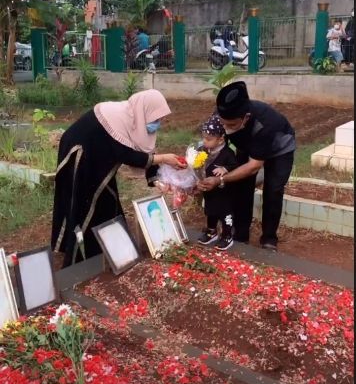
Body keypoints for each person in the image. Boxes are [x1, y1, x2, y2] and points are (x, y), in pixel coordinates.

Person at [51, 90, 183, 267]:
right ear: (145, 110)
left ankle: (111, 250)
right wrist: (165, 158)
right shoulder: (116, 118)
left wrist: (156, 180)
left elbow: (144, 151)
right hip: (81, 157)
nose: (157, 124)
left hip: (100, 161)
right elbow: (127, 155)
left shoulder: (136, 119)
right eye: (155, 119)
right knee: (84, 205)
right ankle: (78, 260)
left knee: (108, 201)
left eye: (159, 119)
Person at [197, 81, 296, 252]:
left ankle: (269, 238)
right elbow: (212, 145)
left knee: (273, 190)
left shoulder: (264, 124)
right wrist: (197, 166)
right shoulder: (221, 116)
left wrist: (220, 179)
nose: (226, 130)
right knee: (242, 187)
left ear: (246, 118)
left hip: (279, 149)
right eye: (224, 124)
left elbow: (254, 166)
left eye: (232, 125)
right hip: (248, 146)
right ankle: (241, 234)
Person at [197, 115, 238, 251]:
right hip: (209, 190)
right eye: (203, 138)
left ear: (221, 139)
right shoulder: (204, 151)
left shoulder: (227, 153)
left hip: (223, 192)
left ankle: (227, 235)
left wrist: (225, 168)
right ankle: (211, 231)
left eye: (208, 139)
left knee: (225, 213)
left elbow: (235, 166)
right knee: (210, 211)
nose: (205, 141)